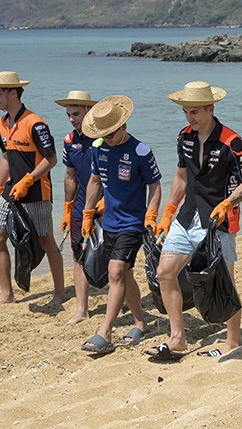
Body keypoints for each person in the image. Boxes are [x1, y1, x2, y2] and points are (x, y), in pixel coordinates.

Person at [143, 81, 242, 360]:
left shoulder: (234, 143)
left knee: (225, 281)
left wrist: (229, 203)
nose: (190, 118)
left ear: (210, 108)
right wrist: (168, 210)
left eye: (194, 112)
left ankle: (232, 340)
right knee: (164, 272)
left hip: (220, 221)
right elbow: (181, 176)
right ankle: (178, 338)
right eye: (185, 112)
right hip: (187, 214)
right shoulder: (184, 137)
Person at [80, 96, 162, 355]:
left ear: (124, 126)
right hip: (109, 223)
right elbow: (94, 182)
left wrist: (152, 214)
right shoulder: (98, 148)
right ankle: (140, 322)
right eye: (103, 135)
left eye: (112, 134)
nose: (108, 139)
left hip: (132, 223)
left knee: (115, 271)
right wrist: (88, 212)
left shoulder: (141, 152)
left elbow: (155, 186)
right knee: (125, 274)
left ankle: (105, 331)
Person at [0, 71, 65, 313]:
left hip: (37, 191)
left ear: (12, 92)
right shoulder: (2, 123)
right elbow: (6, 157)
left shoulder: (35, 123)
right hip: (12, 191)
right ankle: (6, 294)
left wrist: (29, 179)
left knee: (46, 240)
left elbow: (51, 159)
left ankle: (59, 294)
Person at [55, 90, 102, 325]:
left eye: (76, 114)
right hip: (80, 207)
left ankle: (122, 299)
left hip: (106, 208)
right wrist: (67, 207)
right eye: (68, 115)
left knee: (113, 259)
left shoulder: (104, 138)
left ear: (88, 111)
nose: (72, 119)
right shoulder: (69, 141)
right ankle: (81, 309)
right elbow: (69, 175)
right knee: (78, 256)